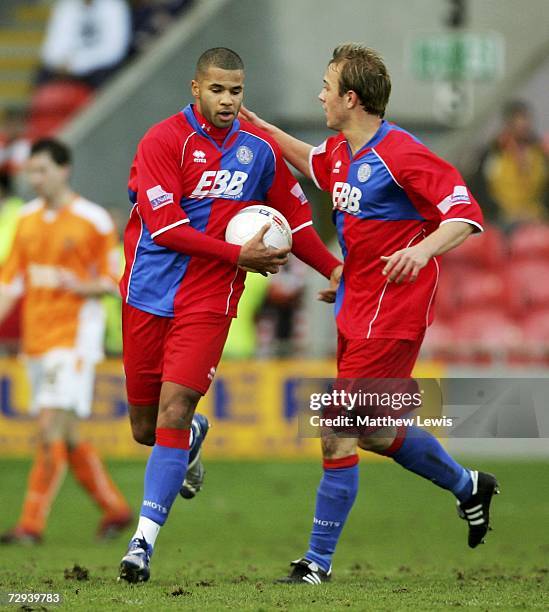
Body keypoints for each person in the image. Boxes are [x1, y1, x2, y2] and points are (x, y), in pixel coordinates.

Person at [240, 43, 499, 584]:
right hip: (358, 305)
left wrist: (423, 249)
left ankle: (316, 562)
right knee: (376, 431)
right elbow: (311, 162)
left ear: (350, 98)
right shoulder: (339, 152)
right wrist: (260, 127)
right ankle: (467, 486)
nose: (319, 95)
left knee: (337, 426)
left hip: (396, 311)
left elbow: (464, 213)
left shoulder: (402, 153)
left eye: (327, 87)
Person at [117, 47, 342, 583]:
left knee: (173, 407)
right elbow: (166, 228)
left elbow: (296, 221)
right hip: (148, 292)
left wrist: (333, 269)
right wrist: (239, 253)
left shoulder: (260, 147)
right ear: (195, 88)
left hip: (211, 296)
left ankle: (141, 544)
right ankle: (192, 436)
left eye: (236, 91)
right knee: (147, 429)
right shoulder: (162, 141)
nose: (227, 100)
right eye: (217, 90)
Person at [0, 139, 132, 544]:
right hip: (37, 339)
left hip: (74, 338)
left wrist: (83, 284)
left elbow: (117, 277)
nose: (35, 179)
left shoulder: (92, 220)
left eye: (42, 170)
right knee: (69, 433)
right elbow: (10, 282)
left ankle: (30, 525)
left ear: (64, 169)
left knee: (48, 427)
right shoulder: (27, 218)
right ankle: (115, 510)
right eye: (30, 172)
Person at [473, 100, 548, 229]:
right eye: (517, 123)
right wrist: (500, 212)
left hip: (537, 217)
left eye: (525, 122)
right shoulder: (493, 154)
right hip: (501, 221)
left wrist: (538, 210)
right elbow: (479, 189)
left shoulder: (539, 153)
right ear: (508, 125)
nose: (522, 127)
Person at [38, 0, 131, 88]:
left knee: (105, 78)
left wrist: (77, 64)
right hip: (68, 67)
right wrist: (59, 62)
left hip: (98, 66)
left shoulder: (113, 6)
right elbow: (53, 46)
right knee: (43, 75)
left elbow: (113, 50)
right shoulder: (66, 6)